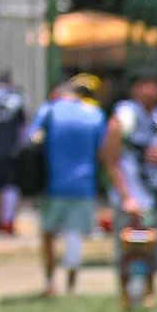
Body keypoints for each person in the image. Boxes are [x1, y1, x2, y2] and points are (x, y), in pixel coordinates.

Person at [101, 73, 157, 311]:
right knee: (129, 250)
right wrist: (126, 197)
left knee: (153, 250)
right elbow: (110, 158)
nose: (149, 91)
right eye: (144, 85)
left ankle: (149, 294)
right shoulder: (123, 117)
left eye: (154, 85)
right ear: (134, 89)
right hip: (131, 196)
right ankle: (126, 298)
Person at [28, 79, 106, 297]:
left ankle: (50, 282)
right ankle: (71, 286)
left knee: (48, 234)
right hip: (84, 184)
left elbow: (33, 138)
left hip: (52, 184)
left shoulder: (49, 110)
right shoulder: (95, 114)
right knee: (74, 235)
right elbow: (103, 149)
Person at [0, 70, 28, 234]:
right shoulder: (17, 99)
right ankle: (7, 221)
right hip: (12, 151)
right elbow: (24, 126)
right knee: (10, 186)